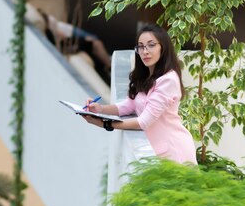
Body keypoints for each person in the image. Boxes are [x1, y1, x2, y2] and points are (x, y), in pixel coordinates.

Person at [82, 23, 197, 164]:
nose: (145, 51)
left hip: (174, 151)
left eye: (151, 45)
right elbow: (129, 105)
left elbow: (143, 122)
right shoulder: (145, 77)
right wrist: (100, 109)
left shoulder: (168, 80)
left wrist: (105, 123)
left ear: (163, 47)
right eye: (141, 46)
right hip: (157, 151)